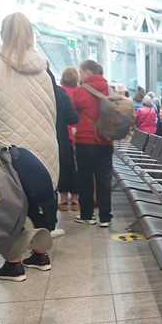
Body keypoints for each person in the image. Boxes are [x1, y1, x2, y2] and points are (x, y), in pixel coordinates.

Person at [0, 12, 58, 280]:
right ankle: (41, 255)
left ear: (2, 33)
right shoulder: (44, 68)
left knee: (8, 204)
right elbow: (57, 108)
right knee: (41, 198)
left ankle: (14, 263)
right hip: (43, 144)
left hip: (5, 145)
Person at [71, 59, 113, 227]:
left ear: (88, 72)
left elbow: (73, 112)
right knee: (104, 179)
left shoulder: (80, 91)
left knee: (85, 178)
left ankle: (87, 215)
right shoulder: (109, 89)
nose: (80, 75)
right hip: (106, 140)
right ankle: (105, 218)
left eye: (81, 72)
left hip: (85, 140)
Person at [58, 67, 80, 212]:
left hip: (62, 135)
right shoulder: (80, 92)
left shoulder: (58, 92)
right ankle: (76, 200)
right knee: (77, 168)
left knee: (63, 166)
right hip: (78, 134)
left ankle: (63, 200)